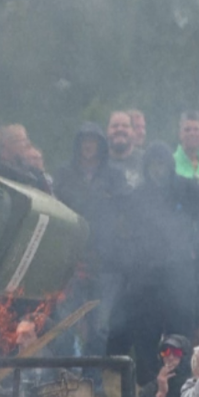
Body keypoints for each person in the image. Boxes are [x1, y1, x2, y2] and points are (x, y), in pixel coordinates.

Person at [106, 143, 199, 385]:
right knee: (145, 332)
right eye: (153, 165)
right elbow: (124, 232)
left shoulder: (187, 188)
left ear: (170, 165)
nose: (158, 170)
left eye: (162, 165)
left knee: (180, 330)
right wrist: (132, 258)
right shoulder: (138, 195)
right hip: (145, 275)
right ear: (146, 167)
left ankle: (181, 383)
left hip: (180, 271)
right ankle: (147, 385)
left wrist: (197, 248)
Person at [55, 122, 133, 382]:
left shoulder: (115, 176)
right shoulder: (64, 174)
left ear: (101, 145)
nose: (89, 146)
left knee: (100, 327)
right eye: (84, 141)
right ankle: (64, 377)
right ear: (78, 145)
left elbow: (123, 213)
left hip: (106, 260)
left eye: (94, 141)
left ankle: (93, 382)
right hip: (71, 258)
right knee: (65, 323)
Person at [107, 109, 146, 187]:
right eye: (115, 126)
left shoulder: (146, 160)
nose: (120, 129)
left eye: (125, 126)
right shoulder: (97, 161)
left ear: (132, 131)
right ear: (107, 130)